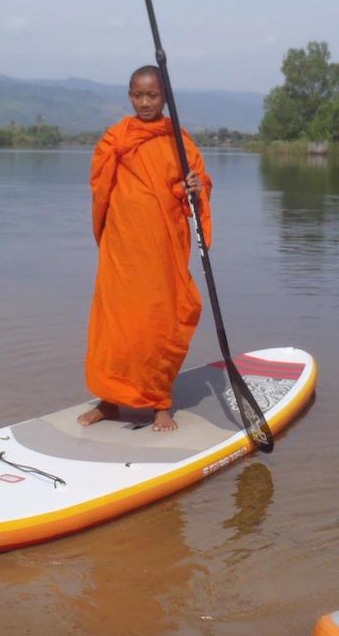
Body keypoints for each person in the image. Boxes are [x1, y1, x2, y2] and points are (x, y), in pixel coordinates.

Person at [79, 65, 213, 432]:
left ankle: (159, 403)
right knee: (116, 326)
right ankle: (109, 401)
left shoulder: (179, 143)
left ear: (165, 97)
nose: (145, 102)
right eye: (138, 95)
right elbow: (100, 189)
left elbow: (196, 192)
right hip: (122, 250)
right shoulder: (117, 138)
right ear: (129, 96)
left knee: (158, 324)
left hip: (159, 251)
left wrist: (192, 188)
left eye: (153, 95)